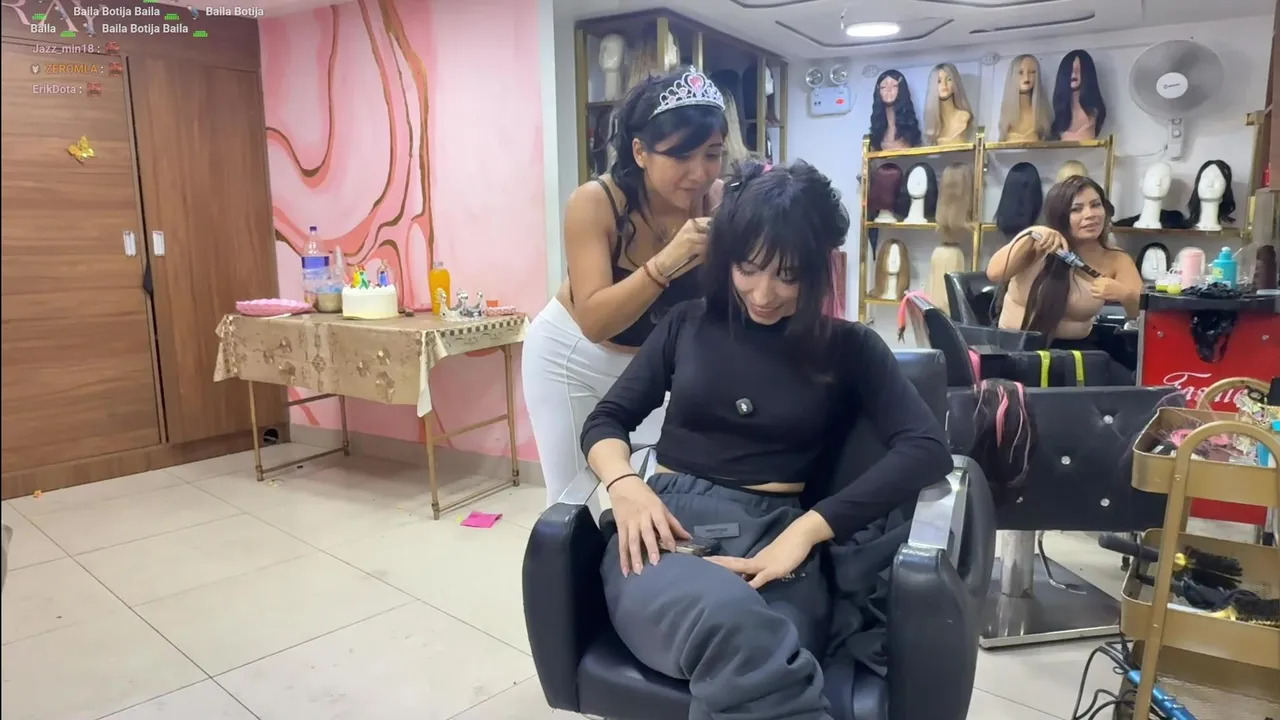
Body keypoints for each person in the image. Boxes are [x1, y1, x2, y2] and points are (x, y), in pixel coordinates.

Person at [579, 160, 952, 719]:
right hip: (664, 528)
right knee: (739, 633)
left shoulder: (849, 348)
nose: (763, 293)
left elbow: (926, 447)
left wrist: (808, 529)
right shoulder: (687, 324)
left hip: (778, 539)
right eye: (748, 269)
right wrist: (625, 484)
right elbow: (606, 420)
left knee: (763, 650)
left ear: (819, 270)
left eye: (788, 275)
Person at [523, 67, 729, 507]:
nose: (698, 173)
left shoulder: (720, 202)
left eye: (712, 154)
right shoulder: (595, 202)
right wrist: (668, 261)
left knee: (664, 492)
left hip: (652, 368)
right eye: (680, 156)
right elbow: (595, 321)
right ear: (640, 151)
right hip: (571, 358)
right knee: (572, 503)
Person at [987, 175, 1143, 350]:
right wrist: (1031, 233)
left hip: (1074, 355)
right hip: (1013, 349)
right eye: (1076, 209)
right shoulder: (1037, 243)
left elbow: (1144, 315)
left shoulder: (1117, 260)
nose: (1090, 215)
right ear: (1059, 215)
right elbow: (994, 273)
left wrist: (1124, 295)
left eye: (1096, 205)